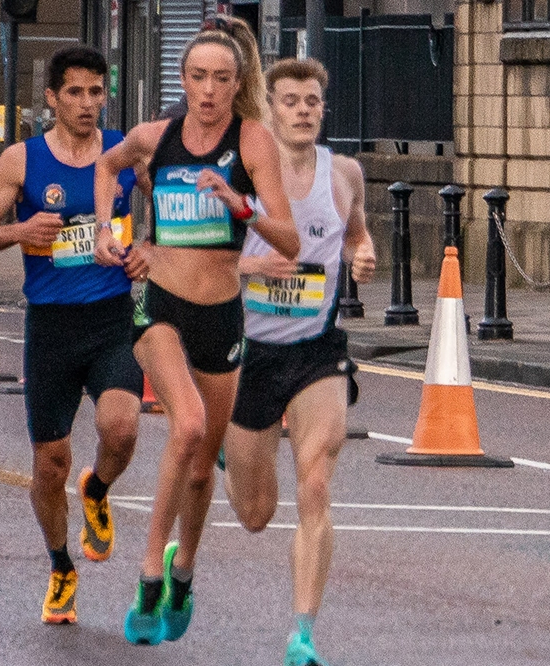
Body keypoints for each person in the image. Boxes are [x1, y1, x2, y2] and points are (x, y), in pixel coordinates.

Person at [93, 19, 300, 646]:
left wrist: (239, 206)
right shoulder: (155, 138)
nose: (208, 90)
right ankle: (150, 576)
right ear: (182, 80)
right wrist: (111, 231)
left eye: (222, 79)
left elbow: (288, 241)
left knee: (204, 471)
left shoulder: (254, 142)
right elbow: (108, 166)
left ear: (237, 85)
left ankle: (185, 573)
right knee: (185, 428)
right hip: (160, 307)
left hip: (222, 316)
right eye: (197, 77)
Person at [0, 46, 144, 625]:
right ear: (52, 97)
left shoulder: (120, 153)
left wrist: (148, 250)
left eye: (97, 92)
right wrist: (22, 229)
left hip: (112, 317)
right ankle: (60, 565)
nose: (88, 104)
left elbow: (163, 206)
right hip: (51, 327)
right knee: (50, 461)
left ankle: (97, 490)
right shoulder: (23, 160)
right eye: (75, 93)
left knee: (120, 429)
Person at [221, 58, 375, 666]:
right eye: (290, 101)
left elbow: (356, 233)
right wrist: (249, 266)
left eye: (312, 100)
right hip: (249, 354)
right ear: (271, 109)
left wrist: (361, 255)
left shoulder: (344, 174)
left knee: (315, 480)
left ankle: (303, 633)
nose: (304, 110)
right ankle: (226, 454)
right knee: (256, 514)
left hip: (317, 351)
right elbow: (196, 262)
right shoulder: (244, 173)